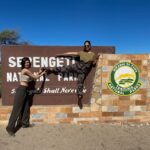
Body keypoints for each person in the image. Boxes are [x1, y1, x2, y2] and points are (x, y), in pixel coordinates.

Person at [48, 40, 98, 109]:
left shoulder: (93, 54)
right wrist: (60, 55)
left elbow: (94, 64)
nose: (86, 46)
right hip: (77, 66)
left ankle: (79, 96)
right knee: (65, 68)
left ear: (90, 46)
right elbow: (70, 53)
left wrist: (95, 59)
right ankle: (51, 69)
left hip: (83, 71)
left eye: (88, 45)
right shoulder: (81, 53)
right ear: (84, 46)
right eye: (85, 45)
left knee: (80, 83)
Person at [6, 57, 46, 136]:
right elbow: (35, 77)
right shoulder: (25, 70)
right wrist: (42, 73)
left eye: (28, 62)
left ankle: (25, 124)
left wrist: (39, 72)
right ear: (23, 64)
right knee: (16, 110)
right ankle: (10, 128)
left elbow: (32, 78)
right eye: (26, 62)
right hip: (21, 90)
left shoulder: (27, 71)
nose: (27, 63)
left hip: (25, 90)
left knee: (26, 107)